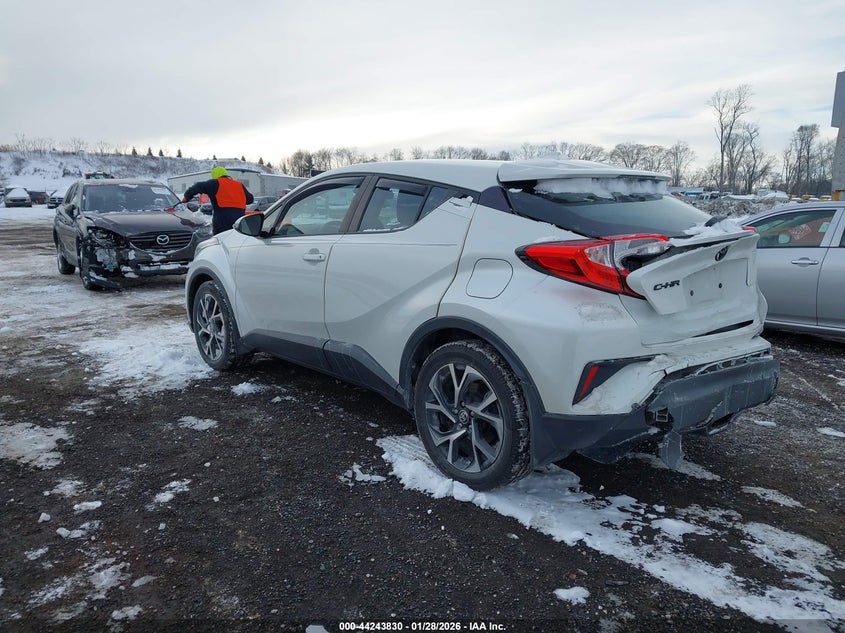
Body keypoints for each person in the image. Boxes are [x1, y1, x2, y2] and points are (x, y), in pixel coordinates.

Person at [182, 166, 254, 235]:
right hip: (239, 224)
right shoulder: (239, 185)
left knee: (220, 244)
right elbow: (250, 199)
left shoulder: (214, 183)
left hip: (222, 224)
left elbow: (197, 186)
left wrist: (186, 197)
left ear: (215, 176)